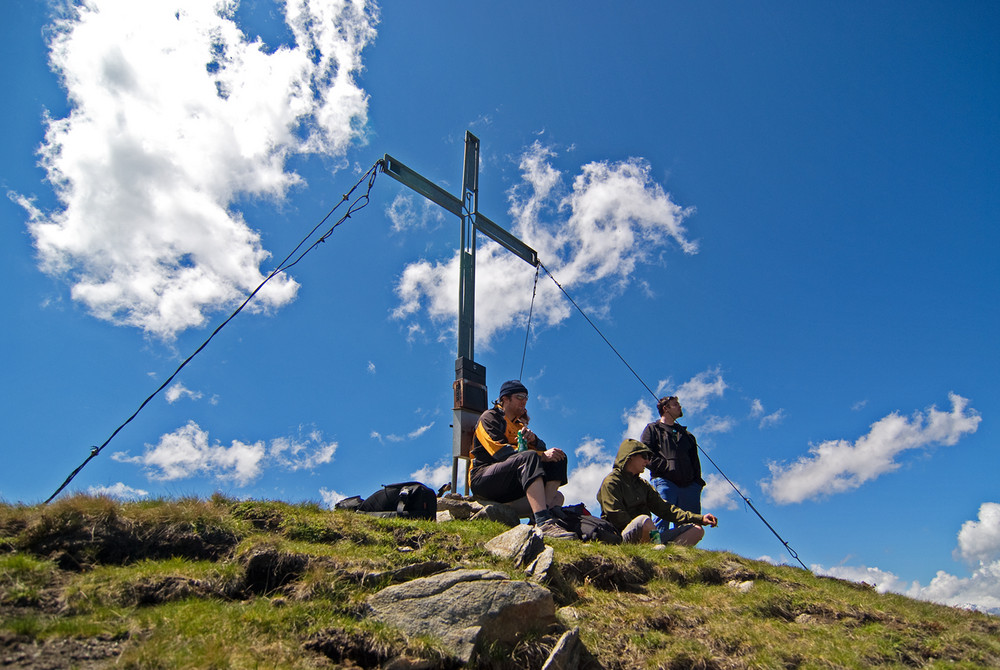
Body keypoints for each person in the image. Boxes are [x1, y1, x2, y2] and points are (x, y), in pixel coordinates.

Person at [470, 379, 573, 539]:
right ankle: (544, 522)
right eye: (519, 396)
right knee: (531, 457)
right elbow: (500, 453)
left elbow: (543, 455)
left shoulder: (519, 426)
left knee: (558, 458)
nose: (524, 401)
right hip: (483, 479)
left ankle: (537, 519)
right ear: (505, 399)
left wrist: (534, 441)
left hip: (510, 482)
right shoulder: (490, 417)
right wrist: (540, 455)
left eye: (526, 397)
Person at [597, 438, 717, 546]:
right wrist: (649, 532)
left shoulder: (643, 485)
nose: (647, 461)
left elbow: (666, 509)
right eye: (644, 456)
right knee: (644, 520)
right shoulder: (611, 482)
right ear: (630, 456)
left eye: (649, 458)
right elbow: (616, 516)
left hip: (650, 535)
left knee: (696, 530)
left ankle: (666, 556)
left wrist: (700, 519)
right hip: (622, 538)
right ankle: (656, 546)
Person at [641, 395, 706, 535]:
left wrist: (697, 483)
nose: (679, 406)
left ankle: (684, 552)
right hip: (664, 481)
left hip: (689, 486)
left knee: (690, 524)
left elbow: (695, 461)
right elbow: (645, 453)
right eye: (675, 404)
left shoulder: (687, 435)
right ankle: (655, 547)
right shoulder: (653, 429)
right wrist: (665, 468)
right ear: (666, 408)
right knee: (660, 518)